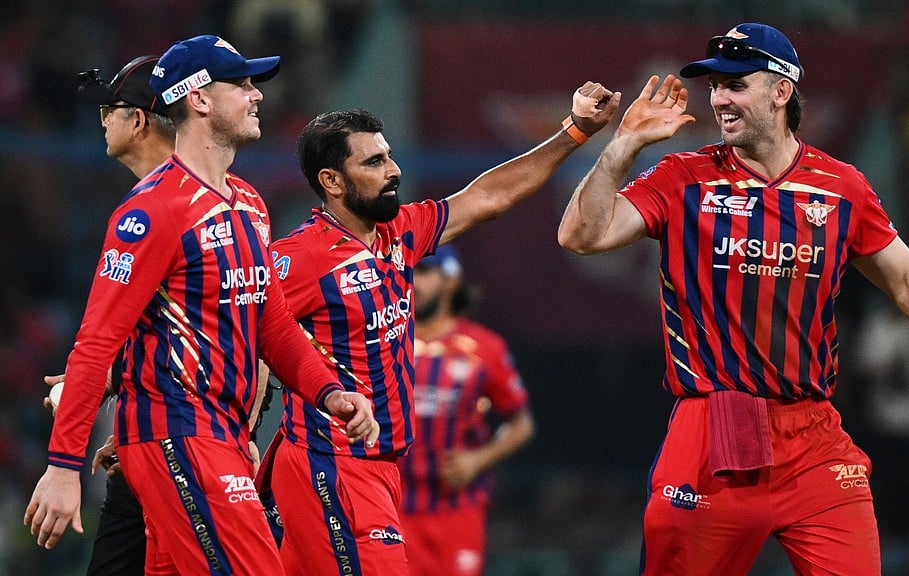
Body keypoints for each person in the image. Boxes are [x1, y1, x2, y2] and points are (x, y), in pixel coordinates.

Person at [556, 22, 909, 575]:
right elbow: (581, 235)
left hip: (812, 437)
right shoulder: (684, 178)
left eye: (735, 84)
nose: (718, 98)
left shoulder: (841, 187)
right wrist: (623, 143)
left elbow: (908, 280)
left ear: (781, 90)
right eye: (714, 86)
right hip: (710, 435)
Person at [24, 35, 378, 576]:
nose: (255, 95)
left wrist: (329, 391)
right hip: (180, 433)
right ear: (200, 99)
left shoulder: (249, 203)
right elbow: (97, 341)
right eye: (241, 84)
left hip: (223, 437)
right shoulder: (151, 212)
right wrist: (62, 467)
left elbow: (272, 323)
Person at [259, 88, 618, 575]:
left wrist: (574, 132)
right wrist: (236, 431)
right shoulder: (297, 259)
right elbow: (248, 336)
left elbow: (488, 196)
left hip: (381, 470)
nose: (394, 171)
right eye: (374, 162)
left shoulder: (400, 233)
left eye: (390, 157)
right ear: (332, 181)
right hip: (333, 466)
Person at [70, 53, 176, 576]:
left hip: (192, 451)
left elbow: (251, 343)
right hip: (148, 443)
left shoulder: (159, 209)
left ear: (137, 120)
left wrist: (63, 467)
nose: (101, 121)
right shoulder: (227, 200)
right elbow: (181, 334)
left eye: (108, 109)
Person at [399, 244, 535, 576]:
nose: (413, 281)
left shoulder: (484, 348)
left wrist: (478, 459)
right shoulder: (384, 342)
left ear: (450, 281)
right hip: (392, 505)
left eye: (425, 272)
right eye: (410, 272)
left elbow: (521, 423)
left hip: (457, 509)